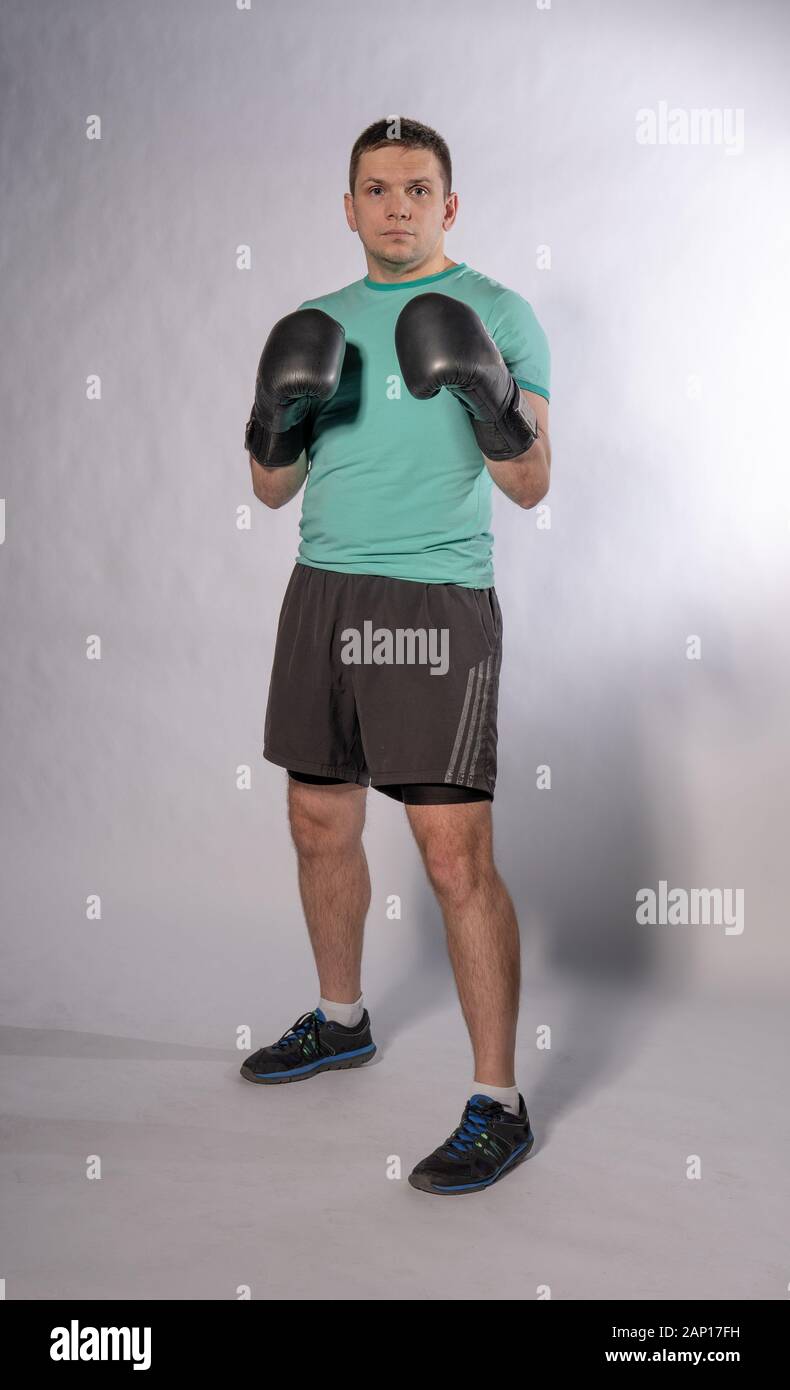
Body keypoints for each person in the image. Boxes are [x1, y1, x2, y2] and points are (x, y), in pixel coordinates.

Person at [240, 117, 551, 1196]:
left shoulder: (500, 313)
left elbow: (531, 482)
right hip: (321, 591)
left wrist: (489, 394)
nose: (397, 206)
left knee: (453, 852)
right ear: (349, 206)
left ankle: (498, 1102)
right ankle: (340, 1021)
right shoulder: (313, 323)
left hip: (437, 601)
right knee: (317, 818)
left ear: (448, 204)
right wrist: (277, 418)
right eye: (376, 189)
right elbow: (269, 490)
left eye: (418, 188)